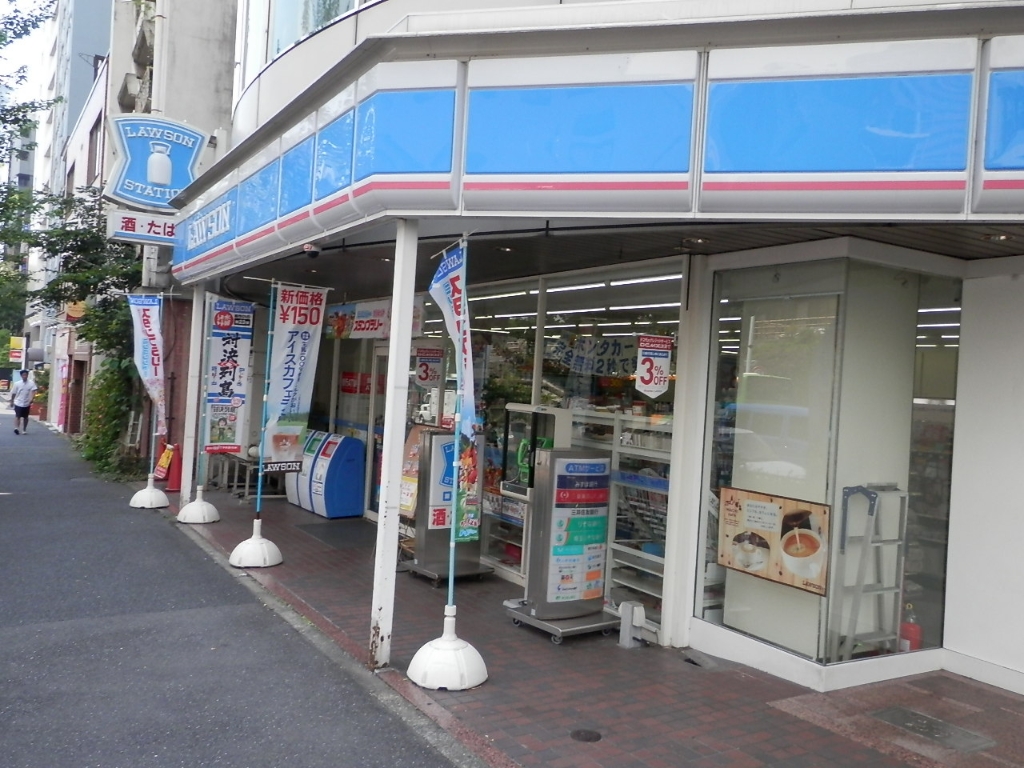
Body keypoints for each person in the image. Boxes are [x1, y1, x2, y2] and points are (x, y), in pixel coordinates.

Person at [11, 370, 37, 435]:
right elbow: (13, 393)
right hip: (18, 402)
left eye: (26, 375)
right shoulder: (17, 383)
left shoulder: (31, 383)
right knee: (18, 416)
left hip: (26, 403)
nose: (24, 376)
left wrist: (31, 398)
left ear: (27, 375)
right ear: (21, 376)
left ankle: (24, 429)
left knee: (25, 417)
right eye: (23, 375)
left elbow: (34, 391)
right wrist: (12, 401)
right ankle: (16, 428)